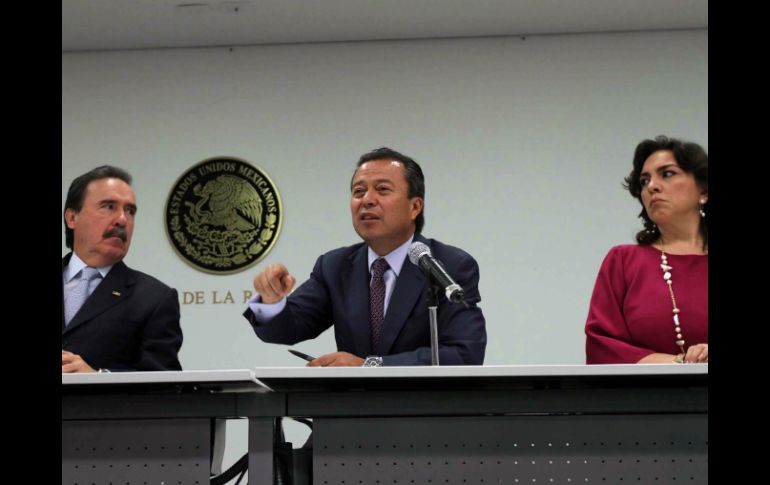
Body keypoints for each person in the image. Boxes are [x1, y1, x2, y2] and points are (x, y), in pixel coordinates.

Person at [244, 147, 486, 366]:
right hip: (351, 411)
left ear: (415, 207)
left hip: (421, 410)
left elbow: (464, 353)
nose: (367, 200)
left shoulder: (448, 265)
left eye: (382, 190)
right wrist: (271, 301)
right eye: (359, 192)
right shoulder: (334, 267)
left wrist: (368, 365)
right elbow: (286, 329)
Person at [585, 136, 708, 364]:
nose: (652, 186)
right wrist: (680, 363)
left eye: (667, 174)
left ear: (703, 191)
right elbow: (601, 348)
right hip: (644, 398)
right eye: (644, 181)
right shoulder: (623, 261)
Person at [62, 165, 183, 372]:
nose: (122, 219)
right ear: (72, 218)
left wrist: (98, 378)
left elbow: (164, 385)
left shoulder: (154, 299)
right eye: (109, 206)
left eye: (130, 211)